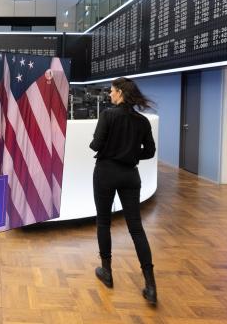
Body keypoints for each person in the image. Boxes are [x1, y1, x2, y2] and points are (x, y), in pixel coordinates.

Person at [89, 77, 158, 305]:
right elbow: (149, 151)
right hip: (130, 175)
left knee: (103, 222)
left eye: (111, 91)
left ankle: (107, 272)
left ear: (119, 92)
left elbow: (96, 145)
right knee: (136, 228)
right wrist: (129, 153)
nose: (109, 95)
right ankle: (150, 285)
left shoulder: (108, 115)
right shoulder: (142, 121)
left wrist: (111, 148)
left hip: (106, 173)